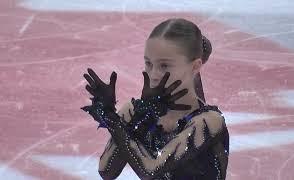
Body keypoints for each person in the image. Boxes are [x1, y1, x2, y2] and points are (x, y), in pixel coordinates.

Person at [81, 18, 229, 180]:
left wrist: (112, 119)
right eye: (148, 64)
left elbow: (151, 170)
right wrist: (136, 118)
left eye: (164, 66)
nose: (154, 74)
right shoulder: (135, 110)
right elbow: (107, 171)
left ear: (195, 66)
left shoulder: (209, 121)